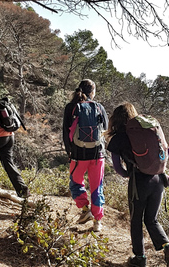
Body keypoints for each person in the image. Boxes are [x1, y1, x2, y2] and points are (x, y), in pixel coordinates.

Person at [106, 102, 169, 267]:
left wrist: (127, 174)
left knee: (136, 220)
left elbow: (117, 166)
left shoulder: (118, 138)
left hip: (139, 182)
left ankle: (140, 258)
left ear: (116, 119)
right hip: (159, 179)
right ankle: (168, 249)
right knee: (151, 219)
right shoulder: (147, 131)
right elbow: (166, 150)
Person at [62, 79, 108, 232]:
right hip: (97, 155)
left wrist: (70, 152)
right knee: (97, 187)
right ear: (92, 92)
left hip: (78, 155)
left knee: (75, 183)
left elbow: (65, 132)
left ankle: (84, 209)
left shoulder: (71, 107)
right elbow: (105, 128)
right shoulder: (99, 107)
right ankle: (97, 222)